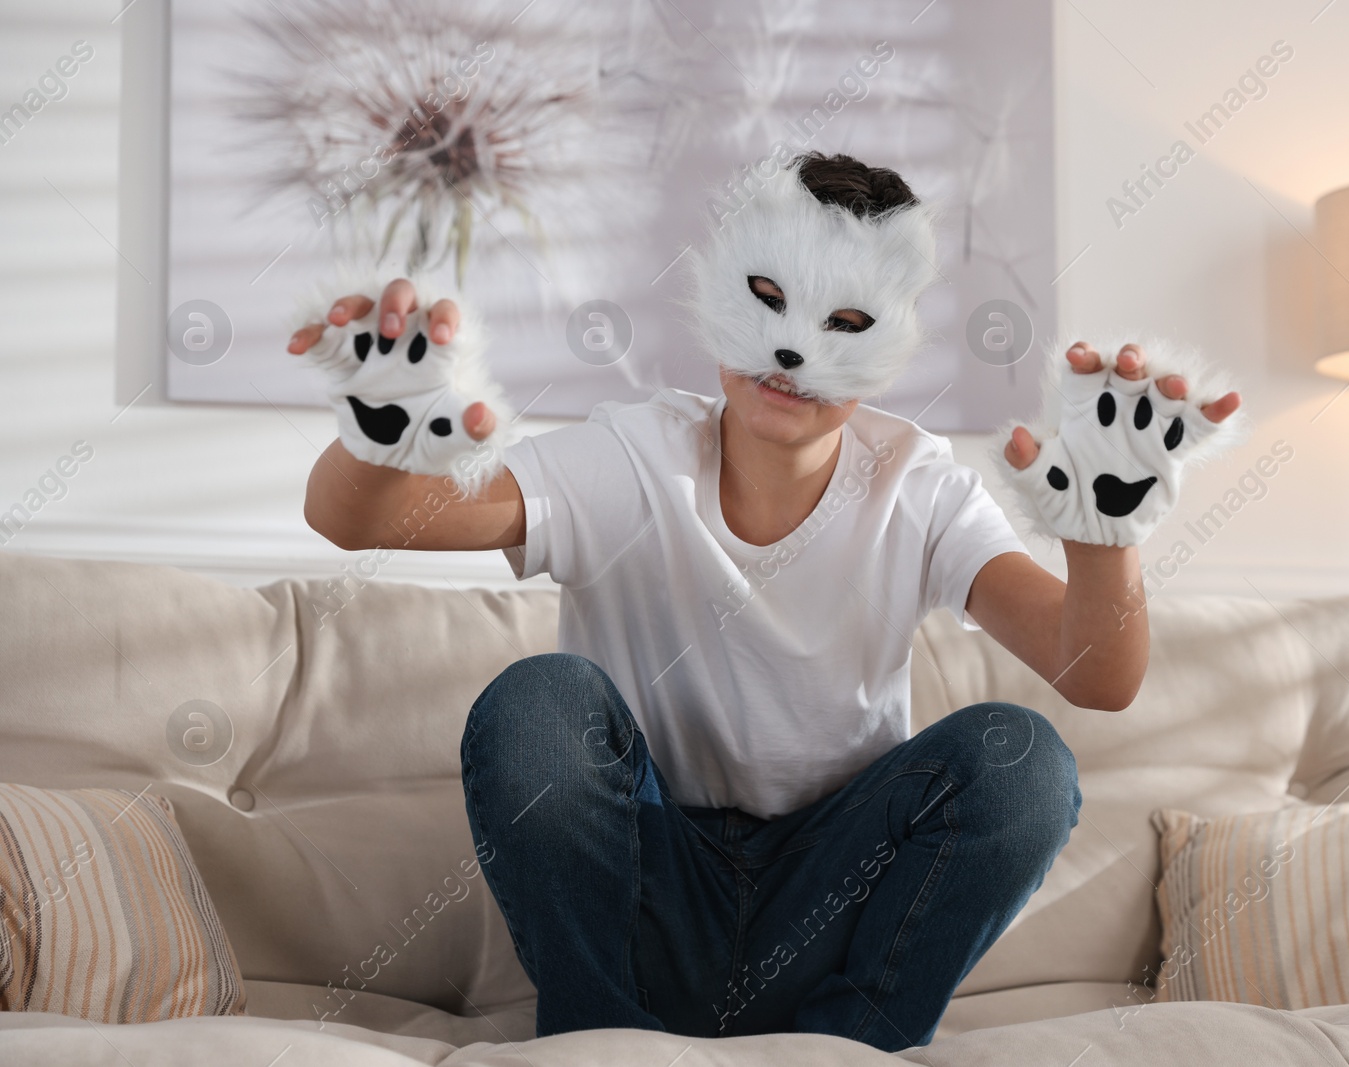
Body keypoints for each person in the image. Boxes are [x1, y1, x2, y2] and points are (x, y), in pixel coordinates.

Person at [286, 151, 1242, 1050]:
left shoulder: (919, 485)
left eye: (846, 324)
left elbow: (1100, 678)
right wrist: (383, 440)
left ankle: (852, 1052)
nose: (792, 349)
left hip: (836, 902)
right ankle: (601, 1045)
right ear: (716, 293)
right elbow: (369, 523)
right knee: (538, 702)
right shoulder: (632, 455)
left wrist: (1103, 534)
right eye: (769, 300)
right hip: (648, 887)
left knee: (1021, 758)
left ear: (894, 343)